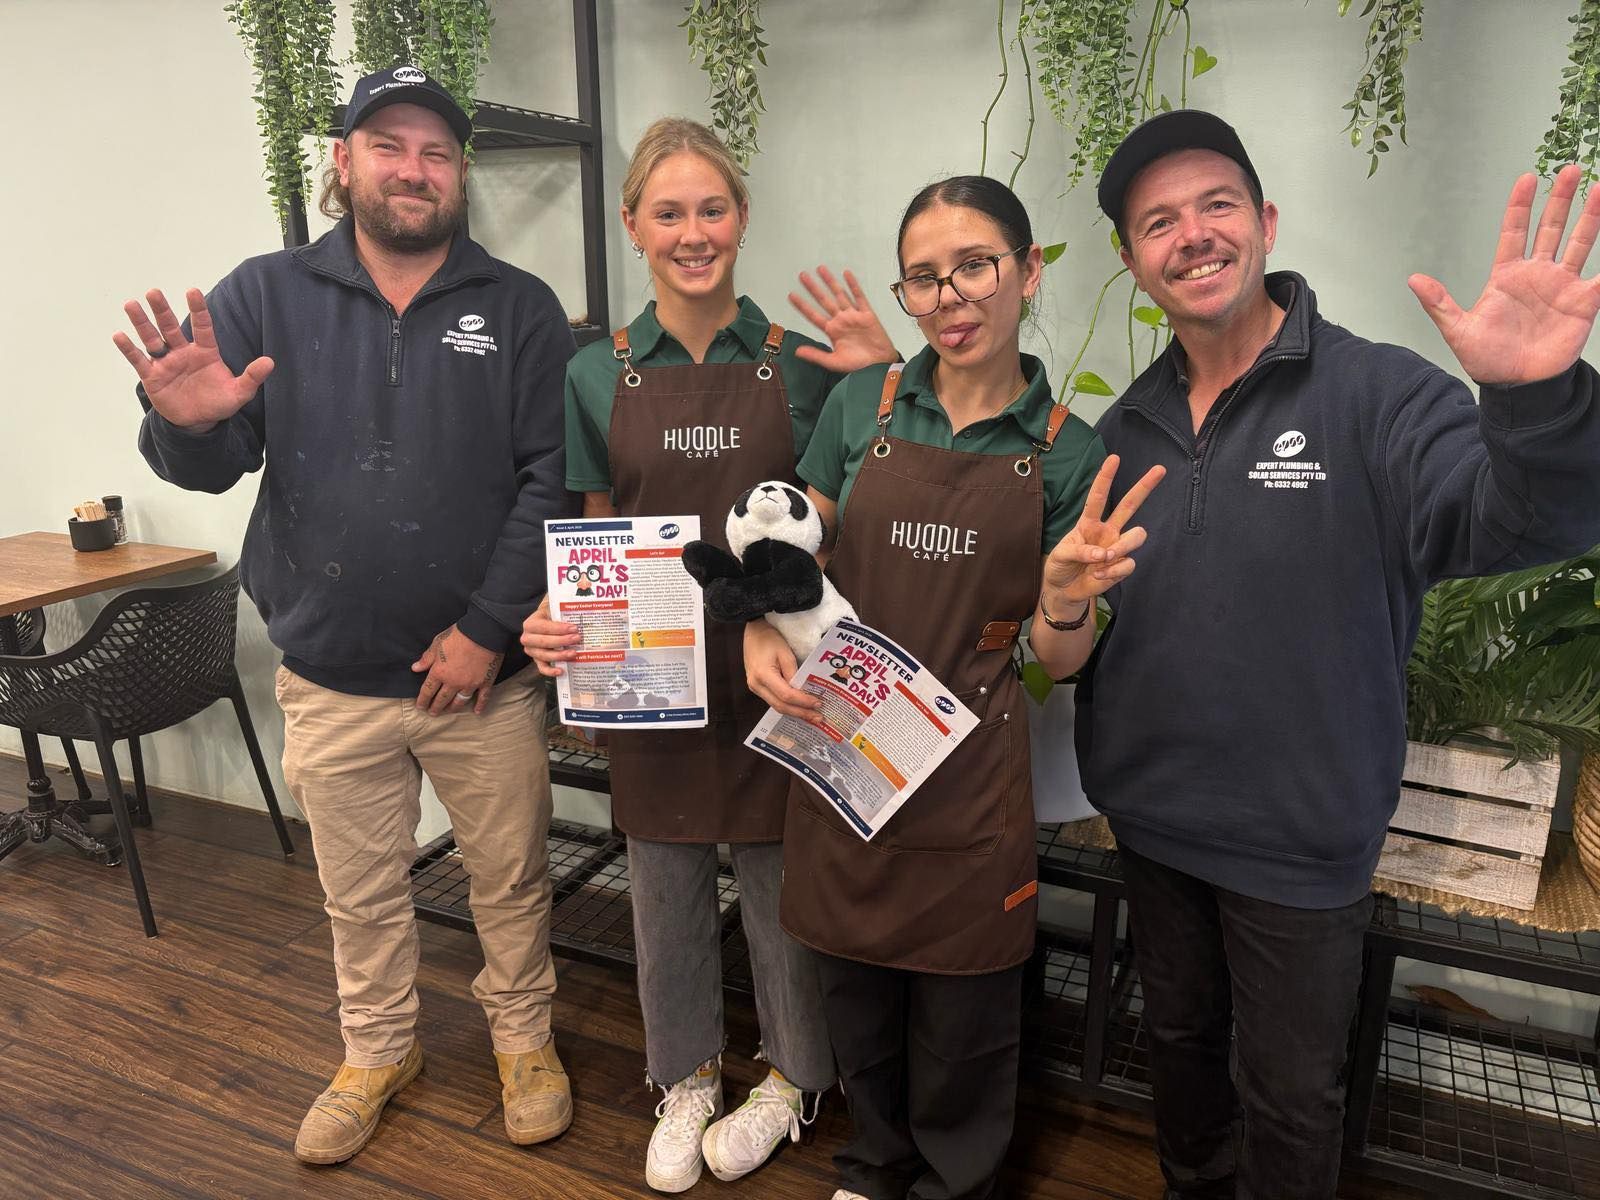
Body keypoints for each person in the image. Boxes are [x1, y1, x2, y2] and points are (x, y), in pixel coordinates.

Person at [1080, 109, 1600, 1200]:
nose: (1191, 235)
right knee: (1178, 1059)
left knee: (1287, 1099)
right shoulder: (1124, 427)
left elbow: (1512, 523)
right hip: (1153, 821)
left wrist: (1534, 402)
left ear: (1263, 221)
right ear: (1133, 263)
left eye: (1215, 204)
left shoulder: (1377, 396)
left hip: (1300, 848)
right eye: (1157, 222)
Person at [116, 66, 576, 1165]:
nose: (412, 169)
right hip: (327, 673)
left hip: (485, 677)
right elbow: (216, 454)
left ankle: (525, 1042)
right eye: (389, 145)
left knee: (509, 882)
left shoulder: (518, 307)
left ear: (459, 172)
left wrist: (484, 632)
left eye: (434, 151)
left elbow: (549, 482)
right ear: (344, 161)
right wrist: (180, 427)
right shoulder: (262, 292)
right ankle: (378, 1050)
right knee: (360, 895)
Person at [745, 175, 1164, 1200]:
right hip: (846, 748)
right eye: (923, 279)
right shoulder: (862, 405)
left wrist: (1063, 599)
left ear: (1025, 273)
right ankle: (872, 1164)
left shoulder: (1067, 450)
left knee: (964, 1018)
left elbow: (1053, 661)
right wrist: (760, 616)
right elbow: (794, 536)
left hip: (970, 766)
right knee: (854, 986)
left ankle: (953, 1182)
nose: (949, 297)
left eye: (973, 266)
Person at [520, 116, 898, 1192]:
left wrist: (878, 375)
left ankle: (790, 1076)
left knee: (786, 882)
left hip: (779, 664)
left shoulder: (802, 364)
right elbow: (595, 523)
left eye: (713, 209)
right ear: (634, 225)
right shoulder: (597, 371)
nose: (694, 233)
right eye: (670, 212)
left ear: (741, 217)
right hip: (653, 673)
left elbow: (860, 501)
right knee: (663, 876)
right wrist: (565, 620)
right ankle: (683, 1072)